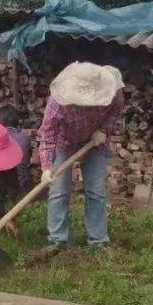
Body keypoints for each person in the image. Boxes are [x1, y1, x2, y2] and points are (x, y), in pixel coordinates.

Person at [38, 62, 125, 248]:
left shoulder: (111, 92)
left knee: (96, 191)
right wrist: (46, 168)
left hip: (95, 141)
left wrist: (103, 130)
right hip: (64, 142)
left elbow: (116, 111)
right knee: (58, 190)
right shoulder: (57, 102)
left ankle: (98, 240)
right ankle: (57, 240)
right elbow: (47, 134)